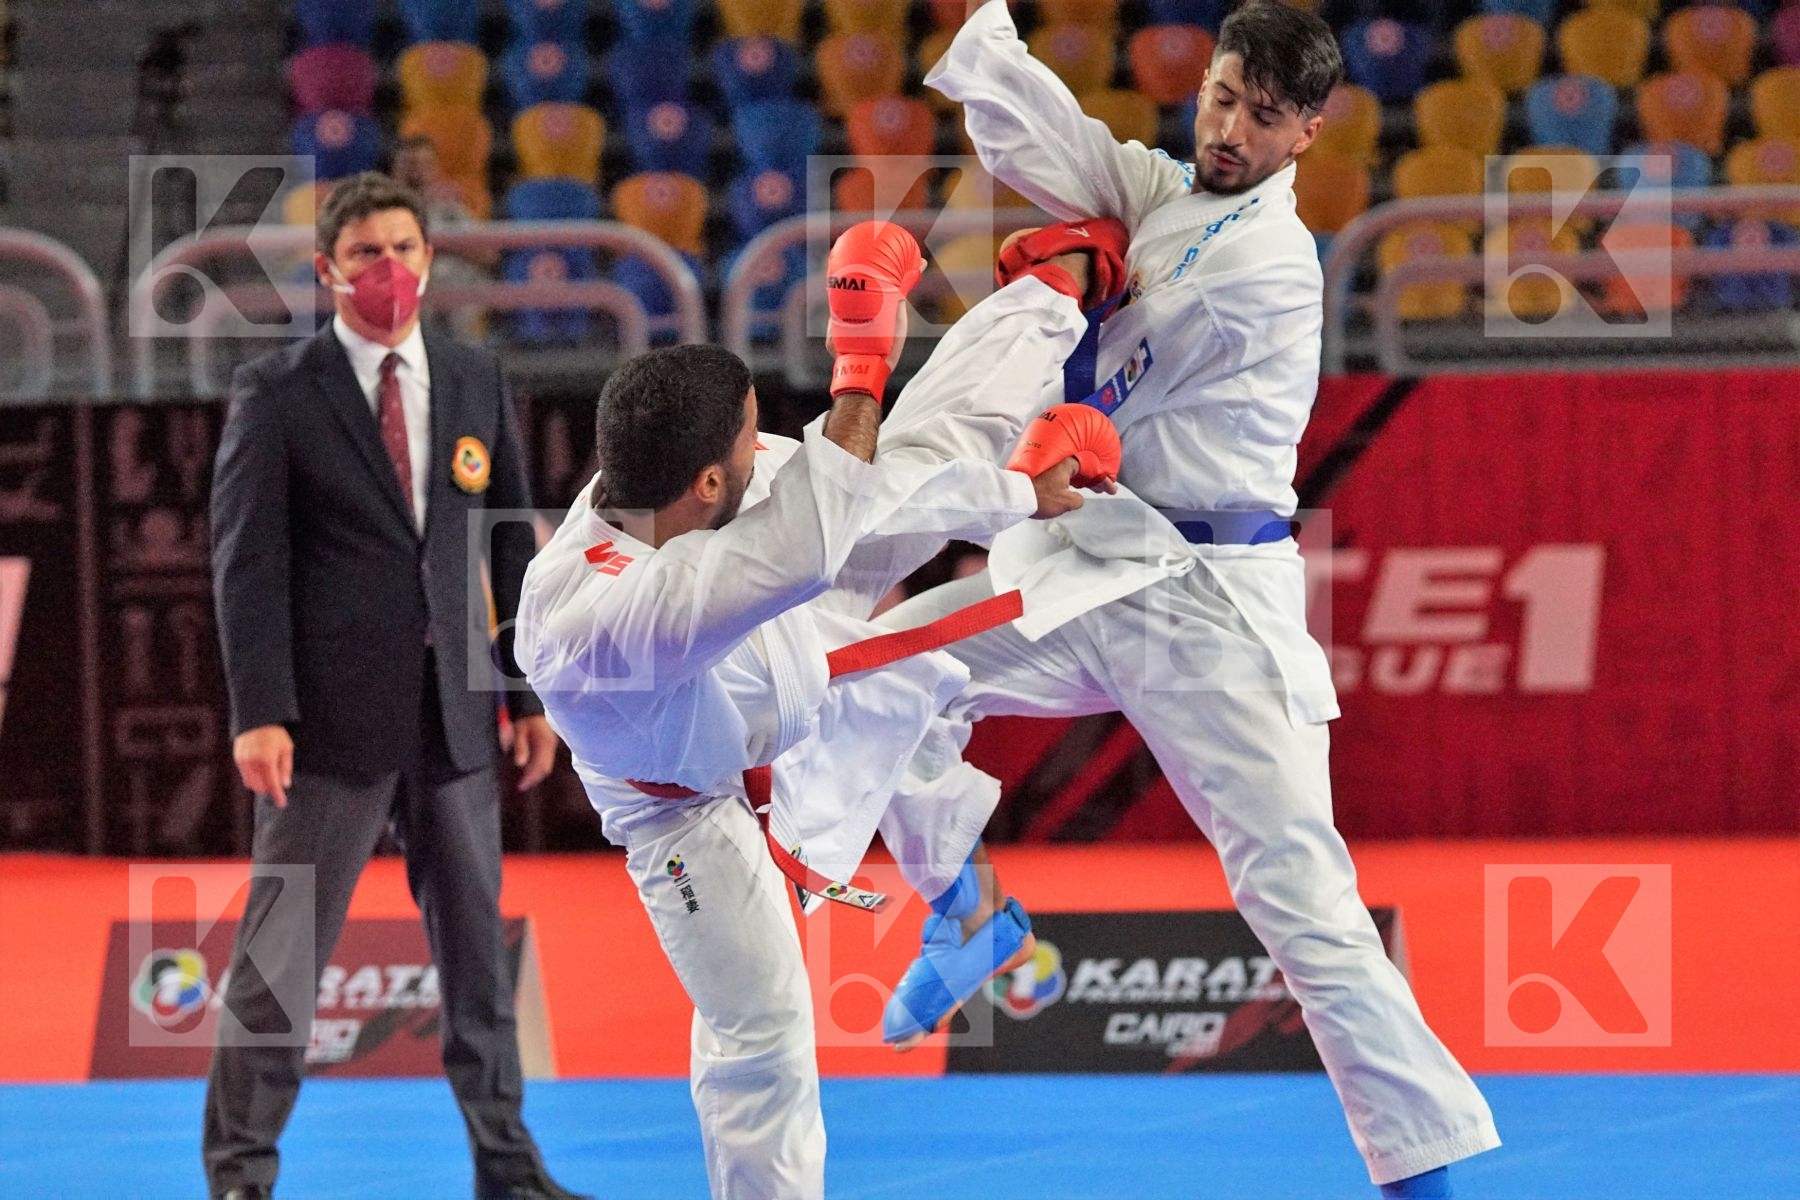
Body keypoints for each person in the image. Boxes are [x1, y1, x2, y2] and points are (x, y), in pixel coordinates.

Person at [879, 3, 1504, 1198]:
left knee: (1301, 902)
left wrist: (1051, 292)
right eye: (1220, 96)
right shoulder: (1169, 188)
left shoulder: (1268, 268)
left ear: (1307, 133)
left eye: (1261, 117)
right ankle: (966, 912)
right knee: (875, 667)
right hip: (1093, 564)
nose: (1226, 129)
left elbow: (1087, 400)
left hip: (1208, 600)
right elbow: (1054, 141)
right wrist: (985, 36)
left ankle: (1425, 1181)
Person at [514, 220, 1123, 1199]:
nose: (765, 446)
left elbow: (853, 493)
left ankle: (1054, 286)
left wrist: (1011, 487)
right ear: (710, 481)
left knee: (918, 464)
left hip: (760, 664)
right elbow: (808, 531)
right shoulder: (632, 613)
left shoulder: (651, 481)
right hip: (689, 807)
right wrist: (860, 358)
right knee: (762, 1035)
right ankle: (968, 913)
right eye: (749, 437)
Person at [206, 171, 582, 1200]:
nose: (390, 268)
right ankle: (241, 1175)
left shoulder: (471, 378)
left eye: (405, 247)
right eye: (366, 252)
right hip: (325, 723)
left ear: (430, 259)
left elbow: (512, 550)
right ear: (326, 271)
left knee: (476, 966)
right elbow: (247, 565)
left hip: (456, 718)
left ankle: (508, 1168)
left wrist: (529, 694)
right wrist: (260, 712)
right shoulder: (278, 394)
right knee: (281, 959)